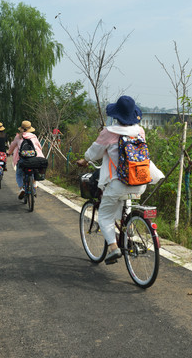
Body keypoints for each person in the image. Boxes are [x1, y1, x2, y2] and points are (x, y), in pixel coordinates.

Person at [77, 96, 164, 263]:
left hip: (118, 183)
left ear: (117, 115)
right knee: (126, 204)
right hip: (140, 182)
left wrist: (85, 160)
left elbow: (94, 152)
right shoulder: (140, 132)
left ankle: (113, 248)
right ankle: (128, 230)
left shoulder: (109, 132)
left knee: (104, 216)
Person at [8, 120, 45, 199]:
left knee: (19, 174)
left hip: (23, 160)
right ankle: (34, 187)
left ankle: (21, 189)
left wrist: (9, 153)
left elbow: (12, 147)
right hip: (34, 159)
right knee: (35, 171)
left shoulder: (18, 137)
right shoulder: (33, 136)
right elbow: (39, 147)